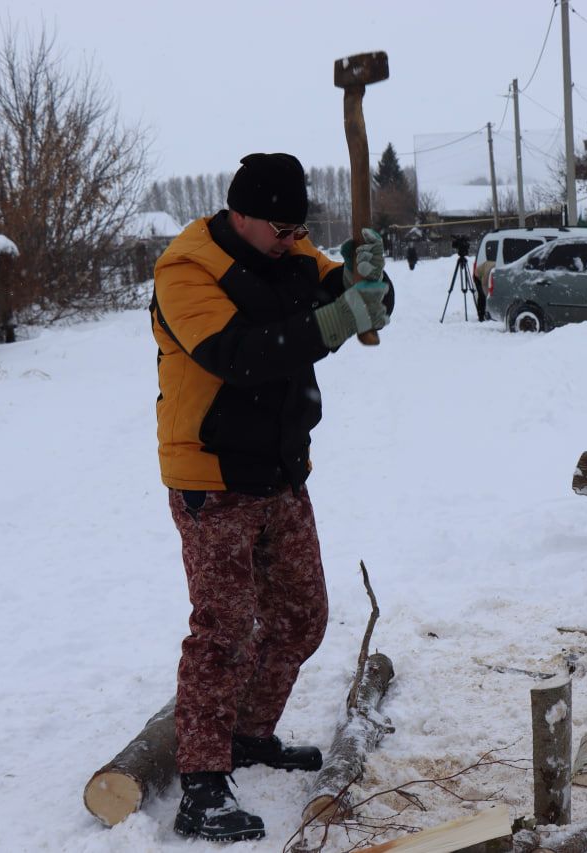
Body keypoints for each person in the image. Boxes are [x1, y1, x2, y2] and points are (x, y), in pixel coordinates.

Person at [150, 152, 389, 843]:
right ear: (241, 215)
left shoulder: (289, 248)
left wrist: (364, 280)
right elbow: (238, 354)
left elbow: (343, 293)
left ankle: (250, 735)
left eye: (298, 230)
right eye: (281, 229)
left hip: (281, 469)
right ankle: (199, 784)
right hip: (211, 476)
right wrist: (338, 316)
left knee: (301, 614)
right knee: (223, 629)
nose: (293, 241)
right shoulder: (186, 268)